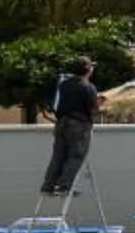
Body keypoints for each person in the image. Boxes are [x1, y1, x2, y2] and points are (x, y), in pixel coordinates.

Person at [42, 55, 102, 196]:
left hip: (61, 123)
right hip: (78, 126)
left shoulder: (64, 85)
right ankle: (64, 186)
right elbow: (92, 109)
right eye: (91, 66)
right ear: (87, 69)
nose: (92, 69)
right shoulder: (88, 87)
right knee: (76, 155)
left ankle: (48, 186)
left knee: (58, 155)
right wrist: (100, 103)